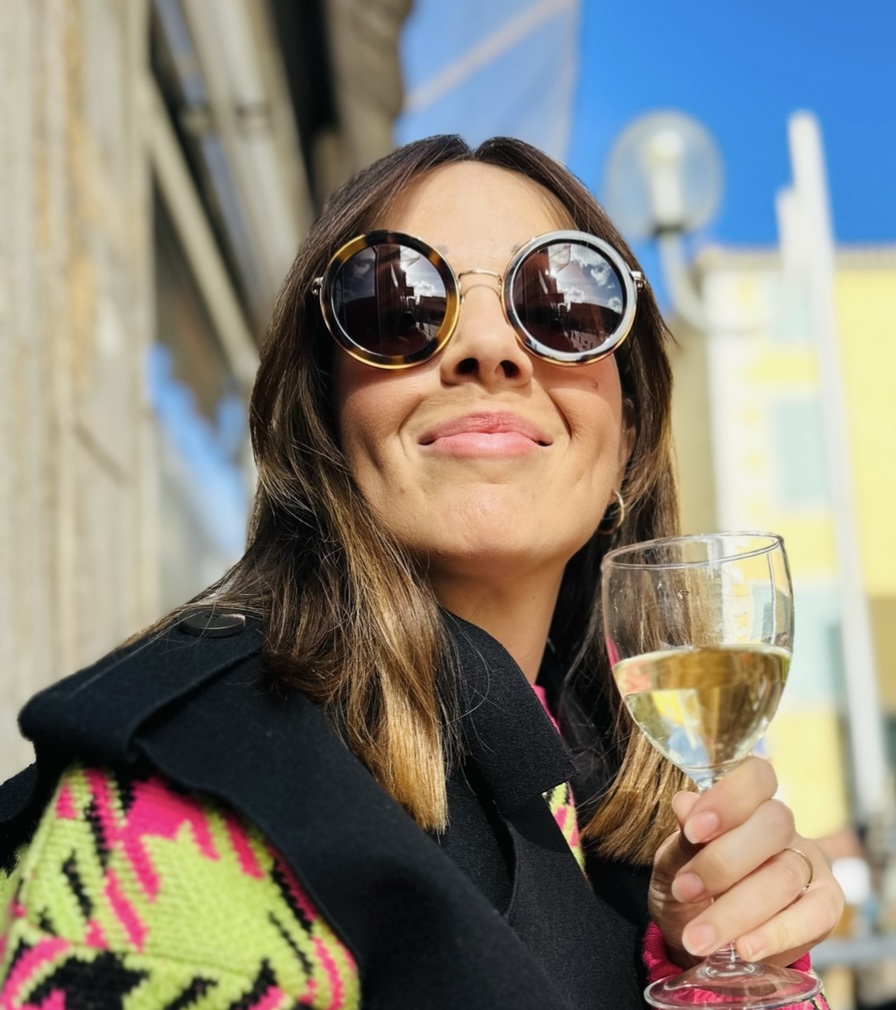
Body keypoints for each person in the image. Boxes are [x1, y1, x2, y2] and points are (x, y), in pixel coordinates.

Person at [0, 135, 841, 1009]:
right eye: (396, 304)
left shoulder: (628, 826)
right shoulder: (180, 800)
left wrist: (700, 962)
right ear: (323, 416)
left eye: (563, 304)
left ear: (626, 438)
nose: (488, 347)